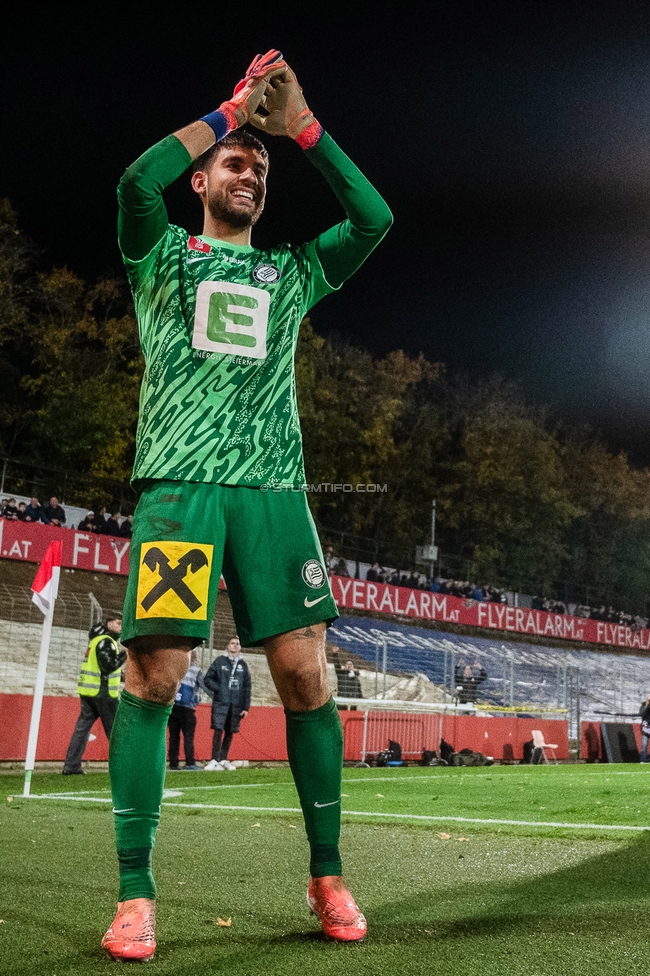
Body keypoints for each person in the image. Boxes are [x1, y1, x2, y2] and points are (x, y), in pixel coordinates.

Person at [100, 49, 390, 962]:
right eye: (236, 164)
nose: (250, 174)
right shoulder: (160, 256)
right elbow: (132, 179)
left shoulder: (293, 274)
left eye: (259, 171)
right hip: (180, 489)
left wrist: (299, 129)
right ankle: (137, 892)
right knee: (152, 677)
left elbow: (375, 218)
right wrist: (231, 114)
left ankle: (328, 872)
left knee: (308, 679)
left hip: (274, 495)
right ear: (203, 179)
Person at [62, 614, 126, 774]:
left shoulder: (95, 640)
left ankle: (71, 766)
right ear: (109, 623)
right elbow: (109, 666)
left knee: (81, 730)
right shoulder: (106, 641)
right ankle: (123, 767)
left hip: (88, 692)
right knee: (115, 731)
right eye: (118, 624)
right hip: (103, 693)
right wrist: (124, 654)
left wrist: (121, 675)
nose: (121, 628)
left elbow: (99, 666)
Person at [202, 636, 251, 771]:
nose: (235, 646)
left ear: (240, 647)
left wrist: (245, 707)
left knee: (230, 732)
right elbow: (207, 679)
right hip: (221, 702)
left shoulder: (242, 665)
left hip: (235, 705)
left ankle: (223, 759)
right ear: (227, 646)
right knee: (218, 730)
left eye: (237, 644)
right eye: (232, 643)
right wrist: (220, 689)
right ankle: (214, 760)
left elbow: (247, 687)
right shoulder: (219, 662)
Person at [168, 650, 204, 770]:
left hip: (173, 707)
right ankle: (189, 762)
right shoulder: (196, 671)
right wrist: (196, 700)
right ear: (195, 658)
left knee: (174, 737)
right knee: (188, 737)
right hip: (187, 708)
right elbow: (204, 686)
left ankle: (173, 763)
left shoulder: (174, 668)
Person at [639, 695, 650, 763]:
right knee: (644, 744)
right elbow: (642, 713)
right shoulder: (643, 706)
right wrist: (647, 704)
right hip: (646, 728)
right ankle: (643, 759)